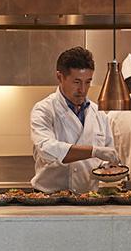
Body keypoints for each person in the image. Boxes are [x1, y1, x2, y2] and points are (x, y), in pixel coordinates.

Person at [30, 46, 119, 193]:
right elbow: (46, 149)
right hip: (49, 198)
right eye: (77, 82)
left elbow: (105, 156)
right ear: (60, 77)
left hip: (89, 198)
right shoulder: (44, 110)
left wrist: (107, 166)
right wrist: (94, 151)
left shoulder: (99, 114)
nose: (82, 90)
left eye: (88, 82)